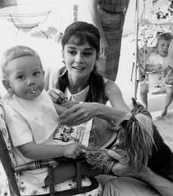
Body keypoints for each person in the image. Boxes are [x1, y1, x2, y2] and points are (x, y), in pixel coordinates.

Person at [45, 21, 173, 196]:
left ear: (97, 57)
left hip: (101, 163)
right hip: (65, 153)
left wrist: (97, 109)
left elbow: (132, 121)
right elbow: (16, 89)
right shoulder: (50, 77)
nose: (79, 60)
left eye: (87, 53)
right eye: (72, 52)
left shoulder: (108, 88)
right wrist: (43, 98)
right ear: (62, 53)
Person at [1, 45, 86, 188]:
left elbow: (50, 108)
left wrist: (74, 115)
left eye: (35, 73)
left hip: (54, 145)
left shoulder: (36, 93)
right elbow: (28, 150)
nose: (31, 81)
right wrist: (64, 150)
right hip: (42, 170)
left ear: (43, 73)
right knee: (93, 165)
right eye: (21, 77)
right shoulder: (13, 111)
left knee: (95, 138)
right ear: (7, 84)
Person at [86, 0, 132, 81]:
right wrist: (101, 38)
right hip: (102, 27)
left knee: (113, 64)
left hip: (118, 25)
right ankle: (97, 92)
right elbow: (91, 5)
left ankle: (108, 91)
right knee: (101, 61)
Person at [139, 32, 173, 109]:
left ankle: (165, 107)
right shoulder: (153, 56)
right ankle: (145, 105)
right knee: (143, 90)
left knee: (170, 91)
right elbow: (146, 67)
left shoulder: (170, 57)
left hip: (166, 81)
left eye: (168, 46)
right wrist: (153, 67)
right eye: (162, 45)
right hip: (153, 80)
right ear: (157, 46)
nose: (165, 48)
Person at [161, 38, 173, 116]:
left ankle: (165, 108)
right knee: (170, 91)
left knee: (170, 92)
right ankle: (165, 108)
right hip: (170, 75)